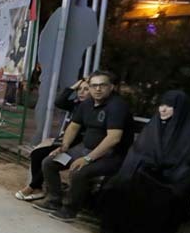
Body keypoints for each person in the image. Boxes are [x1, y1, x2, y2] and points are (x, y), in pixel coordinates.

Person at [97, 91, 190, 233]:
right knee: (119, 186)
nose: (163, 109)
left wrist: (158, 169)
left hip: (168, 184)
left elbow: (188, 166)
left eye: (169, 106)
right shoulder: (153, 126)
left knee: (150, 198)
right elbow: (138, 151)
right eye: (161, 105)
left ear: (180, 109)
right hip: (143, 175)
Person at [36, 70, 133, 222]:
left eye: (102, 85)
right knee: (49, 162)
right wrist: (64, 146)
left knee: (79, 171)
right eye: (94, 85)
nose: (97, 89)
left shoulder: (117, 106)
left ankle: (70, 210)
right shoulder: (87, 103)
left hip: (109, 155)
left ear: (111, 87)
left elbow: (113, 138)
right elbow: (74, 126)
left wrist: (87, 159)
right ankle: (54, 200)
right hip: (83, 149)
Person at [15, 79, 90, 201]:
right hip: (64, 142)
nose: (81, 92)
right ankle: (37, 188)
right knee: (37, 153)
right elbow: (59, 101)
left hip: (77, 147)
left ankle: (32, 187)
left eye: (86, 89)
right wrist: (74, 86)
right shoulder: (76, 105)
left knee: (49, 160)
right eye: (79, 89)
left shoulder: (92, 109)